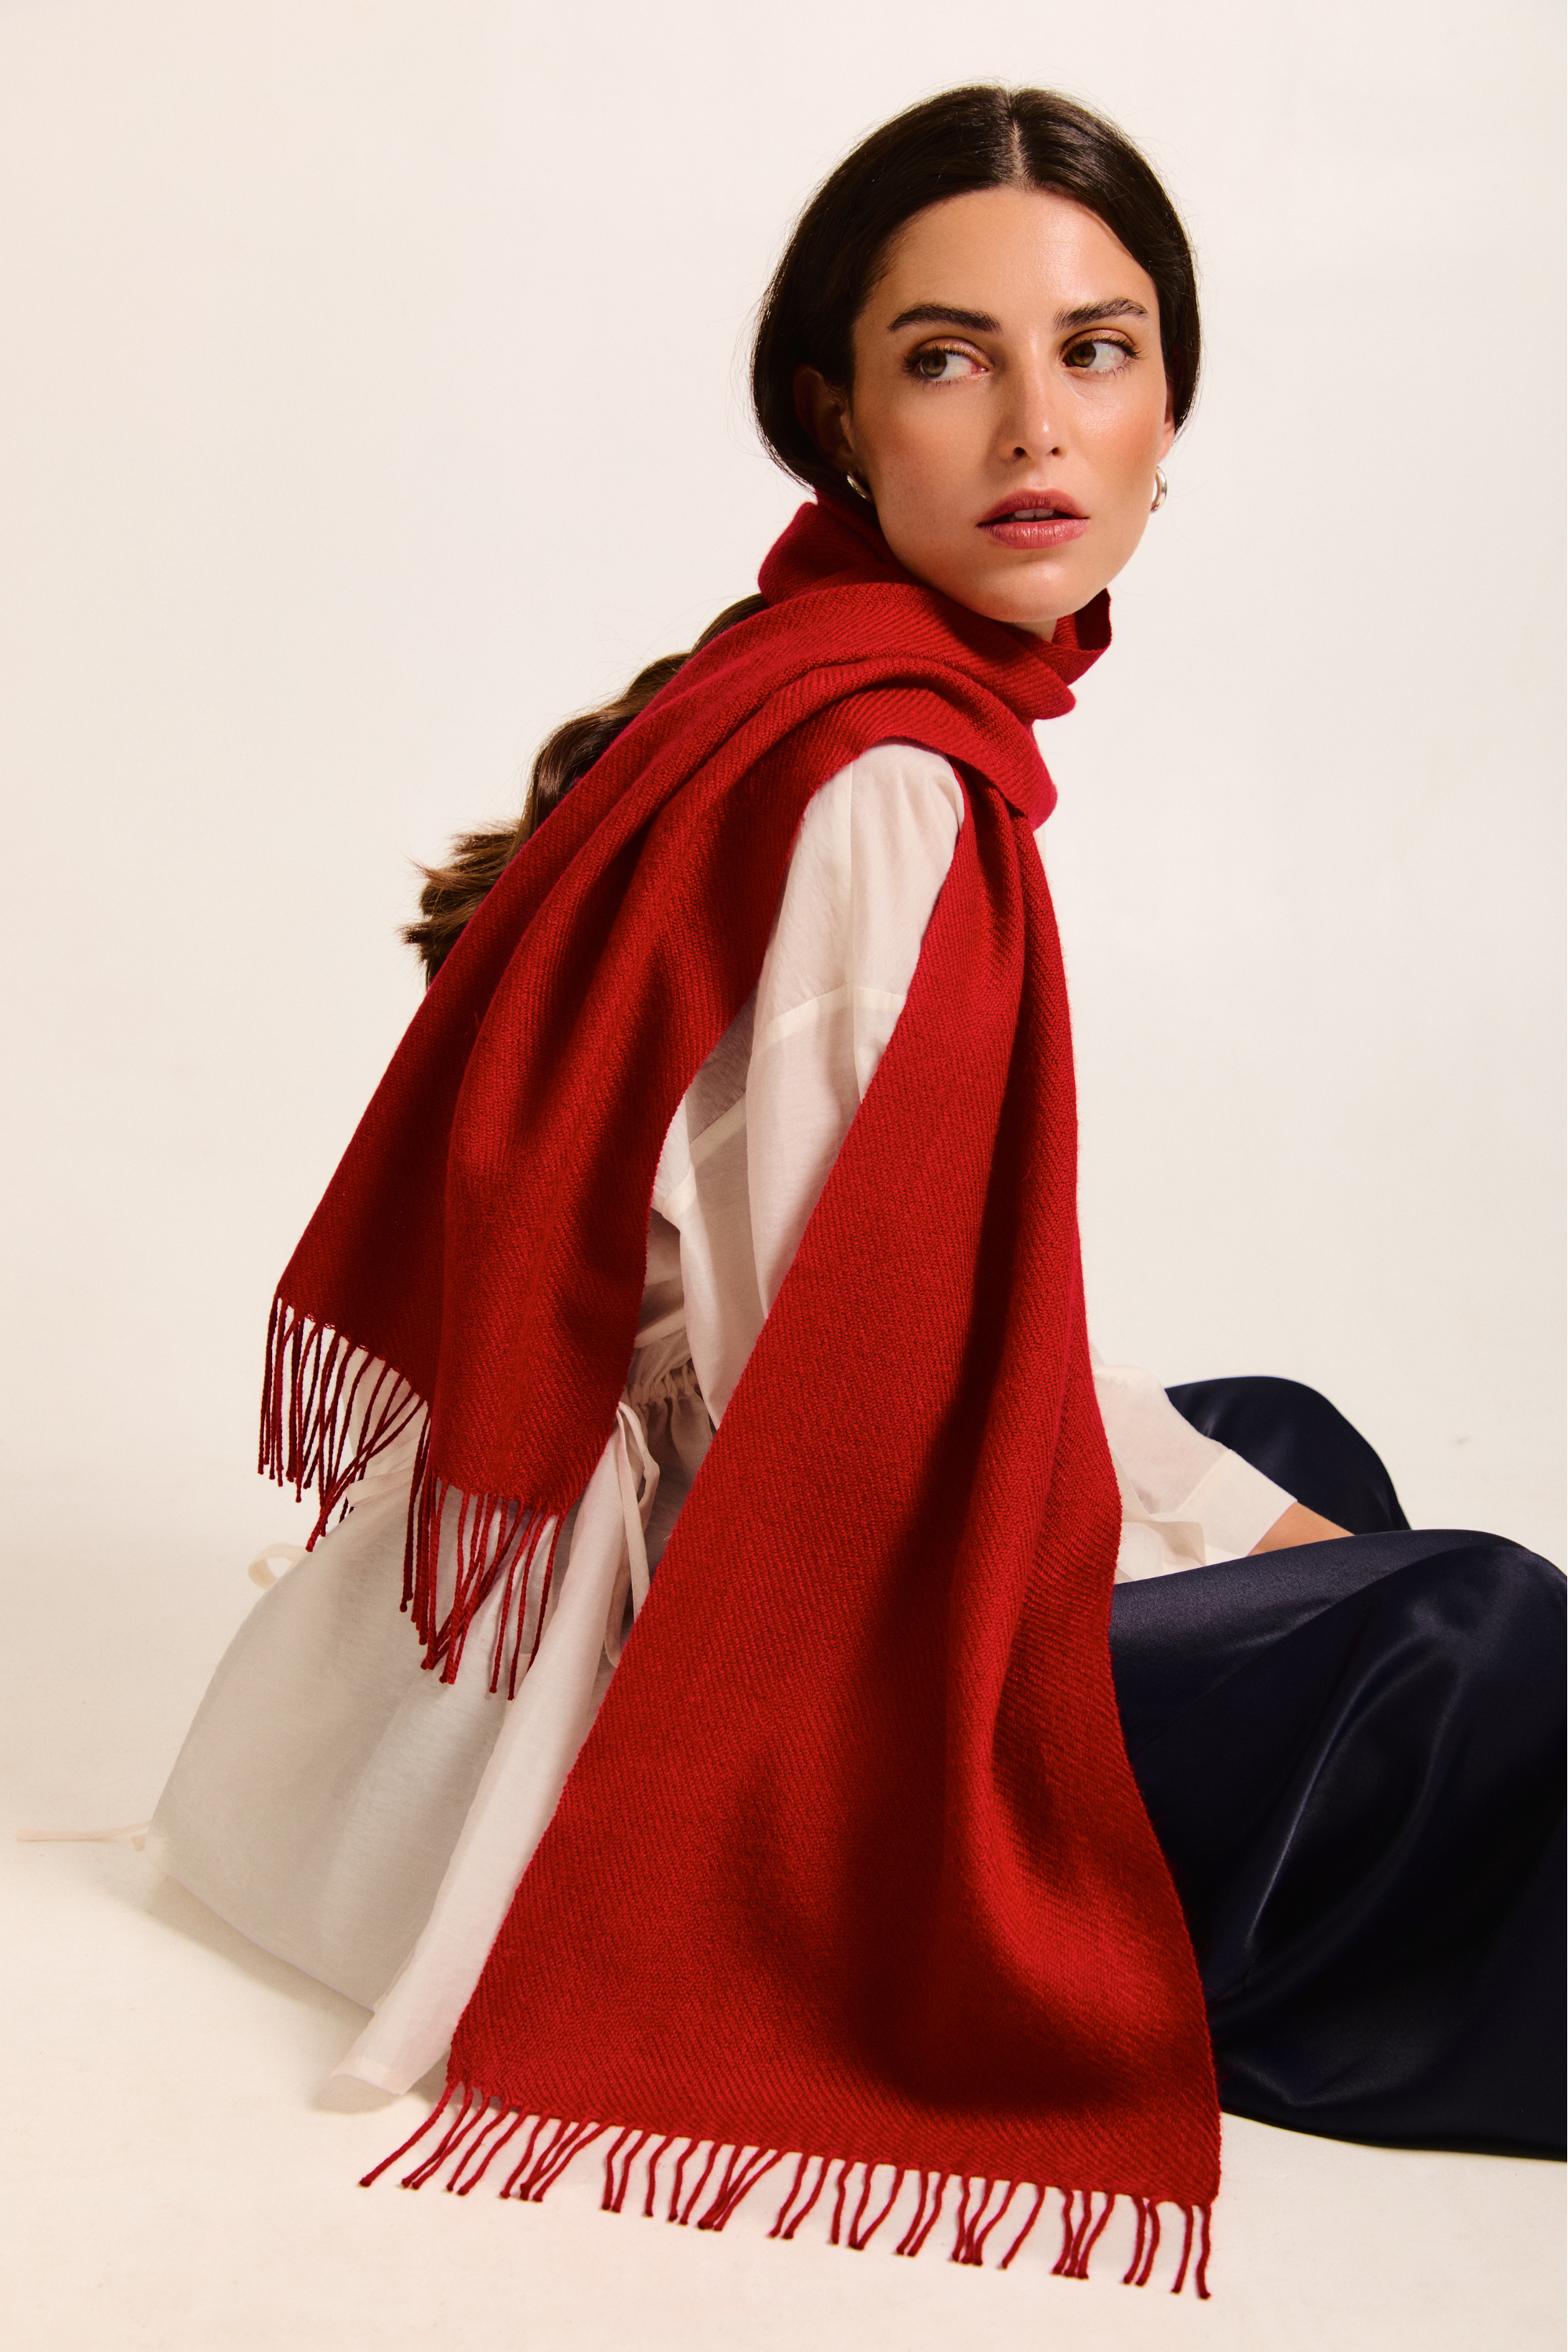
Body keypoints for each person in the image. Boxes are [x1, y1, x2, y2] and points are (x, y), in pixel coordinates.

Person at [150, 85, 1563, 2283]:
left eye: (1096, 349)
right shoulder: (884, 784)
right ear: (839, 412)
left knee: (1295, 1444)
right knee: (1471, 1634)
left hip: (650, 1562)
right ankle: (1168, 1953)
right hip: (702, 1686)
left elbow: (944, 1338)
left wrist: (1249, 1509)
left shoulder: (809, 687)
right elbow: (853, 1407)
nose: (1037, 423)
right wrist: (1277, 1548)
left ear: (1172, 401)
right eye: (947, 355)